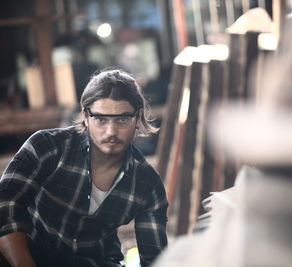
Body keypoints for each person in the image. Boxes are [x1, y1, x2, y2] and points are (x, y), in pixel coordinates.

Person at [0, 69, 168, 267]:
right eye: (101, 119)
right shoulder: (47, 146)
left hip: (95, 262)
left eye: (122, 119)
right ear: (86, 116)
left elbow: (156, 260)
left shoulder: (148, 184)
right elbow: (6, 204)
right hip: (33, 253)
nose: (111, 132)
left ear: (138, 118)